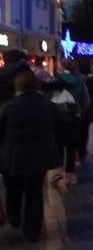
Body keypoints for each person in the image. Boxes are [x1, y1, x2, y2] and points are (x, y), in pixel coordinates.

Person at [0, 71, 64, 242]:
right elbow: (61, 128)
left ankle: (14, 218)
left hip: (11, 157)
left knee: (12, 190)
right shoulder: (48, 106)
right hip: (38, 158)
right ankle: (32, 231)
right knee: (34, 194)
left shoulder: (8, 106)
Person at [0, 49, 31, 225]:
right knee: (33, 186)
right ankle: (32, 227)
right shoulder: (25, 74)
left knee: (10, 179)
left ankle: (13, 216)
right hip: (28, 129)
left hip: (5, 133)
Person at [53, 59, 90, 185]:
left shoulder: (57, 80)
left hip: (58, 117)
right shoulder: (81, 81)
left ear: (63, 67)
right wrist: (78, 109)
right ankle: (69, 175)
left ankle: (57, 170)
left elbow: (48, 97)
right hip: (74, 118)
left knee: (58, 144)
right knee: (71, 147)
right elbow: (86, 101)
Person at [77, 63, 93, 163]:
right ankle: (82, 151)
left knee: (77, 131)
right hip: (89, 108)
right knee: (85, 130)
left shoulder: (76, 80)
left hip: (77, 109)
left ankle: (77, 151)